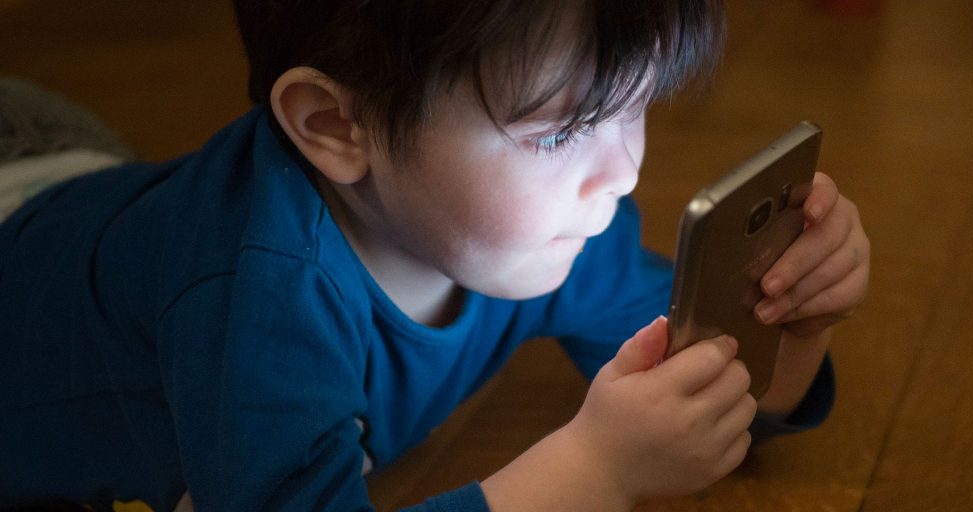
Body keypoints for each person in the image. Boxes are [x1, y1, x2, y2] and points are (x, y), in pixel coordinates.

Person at [0, 1, 870, 511]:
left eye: (633, 107)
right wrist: (590, 472)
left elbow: (719, 395)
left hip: (83, 183)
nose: (623, 170)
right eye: (564, 130)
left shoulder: (556, 224)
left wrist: (794, 322)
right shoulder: (256, 306)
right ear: (338, 126)